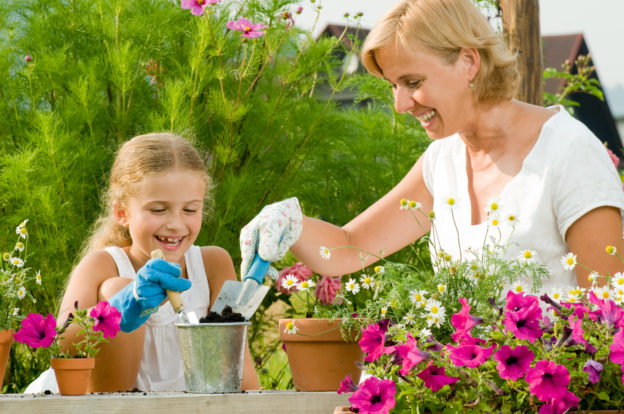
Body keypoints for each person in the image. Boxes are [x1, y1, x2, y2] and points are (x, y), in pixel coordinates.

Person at [240, 0, 624, 297]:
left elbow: (605, 316)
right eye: (394, 85)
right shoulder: (443, 162)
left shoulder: (568, 151)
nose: (401, 104)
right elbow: (349, 247)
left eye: (412, 81)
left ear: (468, 62)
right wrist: (290, 223)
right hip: (468, 388)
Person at [26, 133, 259, 393]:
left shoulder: (213, 264)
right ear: (122, 213)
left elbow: (242, 373)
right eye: (158, 210)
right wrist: (119, 307)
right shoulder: (102, 264)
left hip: (189, 408)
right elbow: (60, 343)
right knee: (115, 287)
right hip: (101, 406)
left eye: (190, 210)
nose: (175, 224)